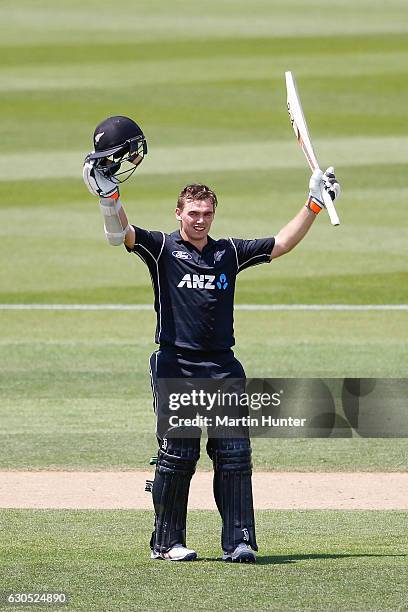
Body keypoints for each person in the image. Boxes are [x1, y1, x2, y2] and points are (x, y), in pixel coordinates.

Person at [83, 115, 341, 563]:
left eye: (207, 214)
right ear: (178, 214)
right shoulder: (162, 248)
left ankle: (239, 541)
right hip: (176, 365)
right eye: (193, 213)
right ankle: (167, 543)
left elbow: (280, 244)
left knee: (235, 456)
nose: (200, 220)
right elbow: (119, 234)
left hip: (223, 367)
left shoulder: (228, 253)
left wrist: (313, 204)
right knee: (179, 456)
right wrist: (109, 197)